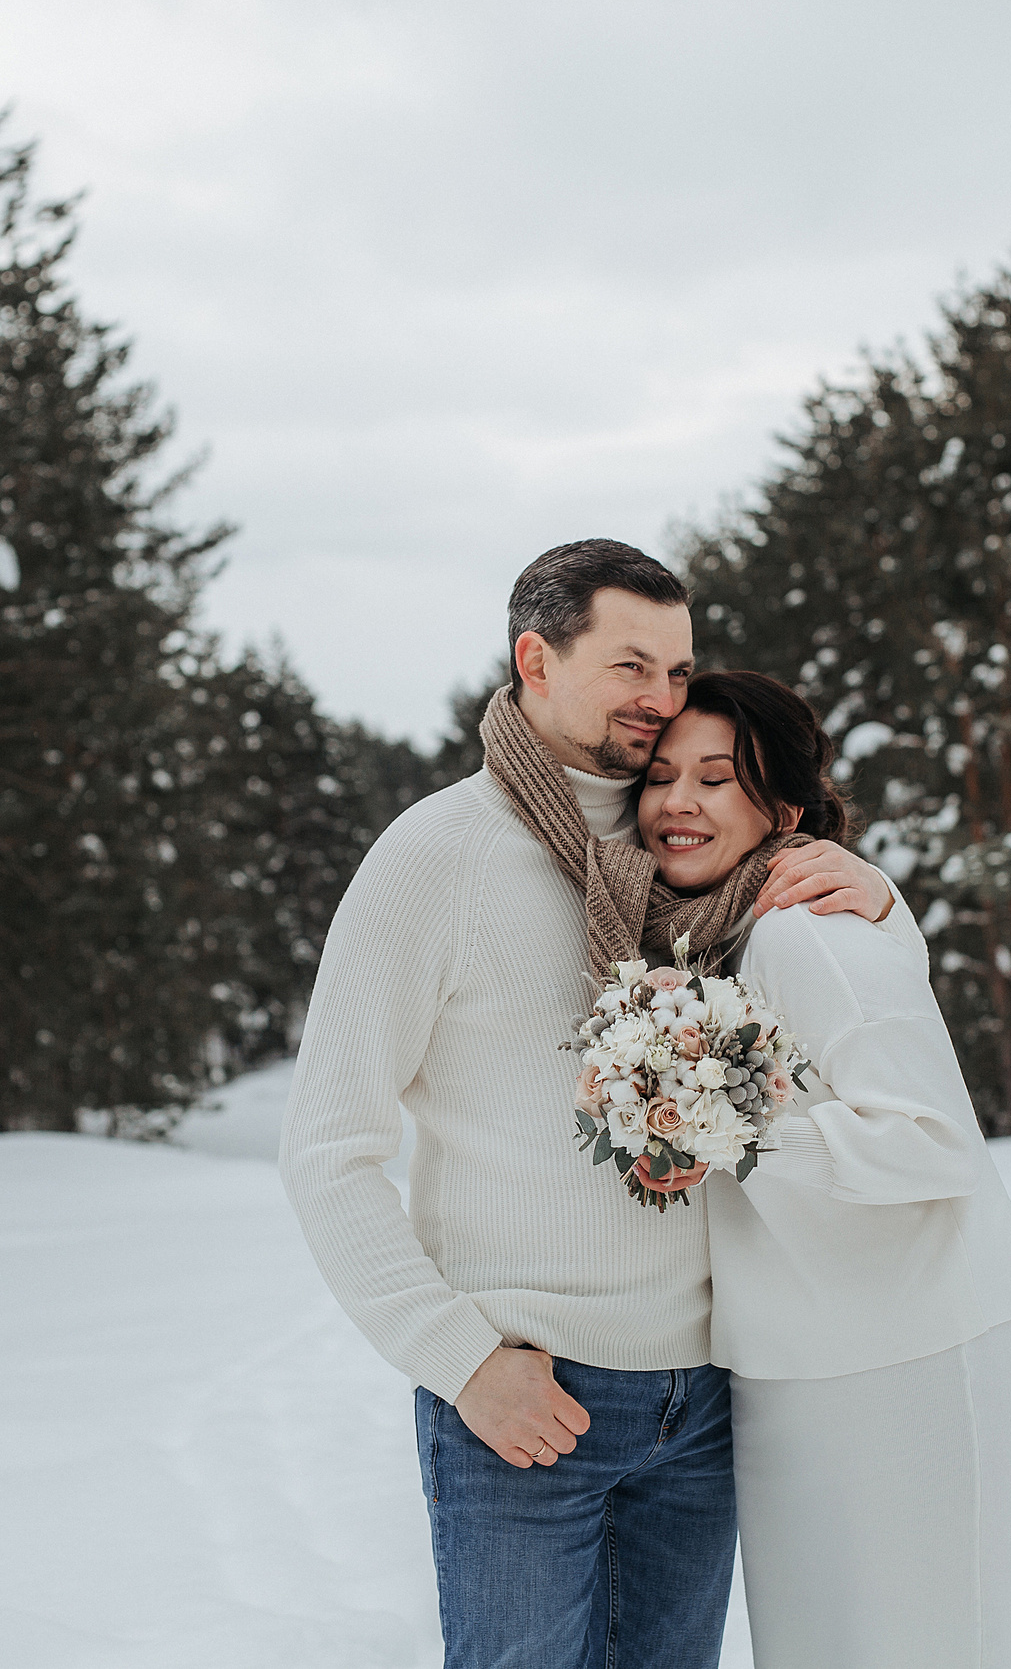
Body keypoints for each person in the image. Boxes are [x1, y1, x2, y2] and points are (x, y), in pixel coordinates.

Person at [278, 541, 906, 1669]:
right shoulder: (436, 856)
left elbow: (842, 996)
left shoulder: (695, 843)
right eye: (631, 666)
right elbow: (327, 1147)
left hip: (708, 1399)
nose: (662, 698)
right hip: (529, 1398)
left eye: (678, 669)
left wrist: (872, 892)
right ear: (537, 661)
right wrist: (459, 1360)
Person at [638, 670, 1011, 1669]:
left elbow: (928, 1141)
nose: (677, 802)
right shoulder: (717, 946)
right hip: (796, 1379)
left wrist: (713, 1123)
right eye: (658, 776)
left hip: (909, 1372)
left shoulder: (803, 928)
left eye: (715, 779)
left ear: (783, 811)